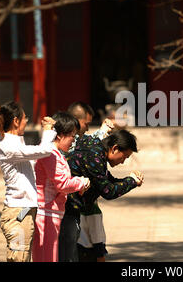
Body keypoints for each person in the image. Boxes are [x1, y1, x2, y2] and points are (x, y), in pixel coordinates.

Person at [0, 101, 56, 262]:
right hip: (18, 214)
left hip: (23, 211)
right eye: (25, 118)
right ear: (16, 121)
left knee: (23, 258)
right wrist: (48, 131)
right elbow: (44, 150)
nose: (27, 121)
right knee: (19, 258)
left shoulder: (16, 144)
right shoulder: (6, 146)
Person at [60, 129, 144, 262]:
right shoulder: (94, 155)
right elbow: (108, 191)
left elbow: (107, 180)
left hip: (69, 210)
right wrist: (131, 181)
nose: (122, 162)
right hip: (65, 210)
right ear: (114, 148)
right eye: (124, 157)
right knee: (67, 257)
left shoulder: (96, 152)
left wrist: (131, 180)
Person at [58, 101, 115, 262]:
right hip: (65, 209)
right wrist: (82, 183)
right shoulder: (65, 147)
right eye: (86, 124)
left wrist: (103, 131)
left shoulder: (76, 142)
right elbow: (85, 147)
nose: (88, 128)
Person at [32, 112, 91, 262]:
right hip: (45, 213)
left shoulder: (55, 153)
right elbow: (62, 183)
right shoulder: (50, 153)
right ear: (59, 135)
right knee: (46, 257)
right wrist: (82, 182)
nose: (74, 140)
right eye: (72, 135)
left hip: (51, 212)